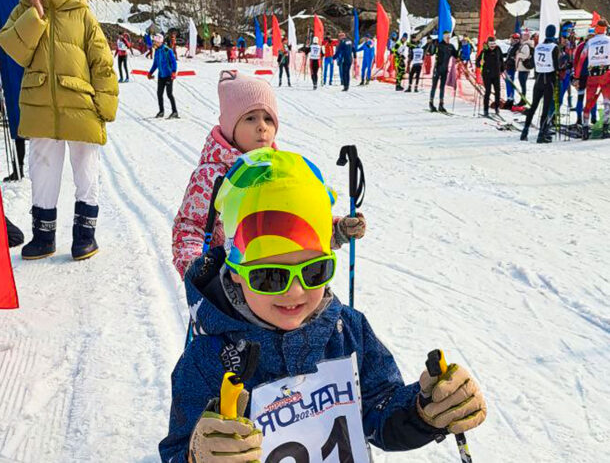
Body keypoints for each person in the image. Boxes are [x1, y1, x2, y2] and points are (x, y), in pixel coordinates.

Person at [160, 147, 487, 462]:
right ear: (234, 274)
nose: (295, 291)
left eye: (314, 270)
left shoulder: (348, 331)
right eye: (269, 277)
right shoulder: (207, 359)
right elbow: (179, 448)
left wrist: (424, 410)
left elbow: (377, 411)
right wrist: (197, 456)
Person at [172, 71, 366, 279]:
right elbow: (189, 229)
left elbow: (295, 224)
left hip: (276, 281)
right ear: (230, 127)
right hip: (226, 282)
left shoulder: (280, 171)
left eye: (268, 119)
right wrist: (196, 266)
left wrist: (337, 230)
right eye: (250, 118)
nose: (262, 127)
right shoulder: (211, 176)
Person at [0, 0, 118, 260]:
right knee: (42, 170)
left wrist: (105, 105)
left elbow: (101, 61)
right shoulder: (24, 9)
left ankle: (85, 236)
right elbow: (13, 48)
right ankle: (43, 237)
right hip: (40, 106)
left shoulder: (81, 10)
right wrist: (35, 15)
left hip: (80, 105)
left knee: (86, 171)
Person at [520, 25, 559, 143]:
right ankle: (541, 134)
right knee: (546, 108)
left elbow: (532, 63)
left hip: (539, 79)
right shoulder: (554, 47)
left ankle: (525, 131)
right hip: (549, 79)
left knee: (533, 106)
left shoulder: (538, 46)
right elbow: (556, 66)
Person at [577, 20, 610, 139]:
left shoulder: (590, 42)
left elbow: (581, 59)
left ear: (597, 29)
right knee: (607, 101)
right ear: (605, 29)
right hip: (606, 73)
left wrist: (577, 75)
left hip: (593, 74)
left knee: (589, 101)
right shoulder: (609, 40)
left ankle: (585, 128)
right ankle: (605, 129)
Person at [148, 34, 178, 119]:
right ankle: (161, 111)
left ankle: (174, 111)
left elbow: (174, 62)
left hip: (168, 75)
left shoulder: (167, 50)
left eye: (155, 42)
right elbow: (155, 64)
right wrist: (150, 73)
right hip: (161, 75)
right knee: (159, 94)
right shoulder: (157, 51)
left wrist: (173, 72)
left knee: (169, 94)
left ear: (159, 42)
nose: (154, 43)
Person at [573, 29, 598, 130]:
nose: (591, 37)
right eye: (590, 36)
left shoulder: (590, 45)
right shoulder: (582, 46)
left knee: (591, 98)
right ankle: (580, 118)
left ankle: (593, 118)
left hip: (591, 75)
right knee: (583, 97)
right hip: (585, 75)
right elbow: (575, 61)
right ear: (587, 36)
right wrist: (575, 77)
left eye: (593, 36)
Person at [429, 31, 458, 112]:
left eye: (449, 37)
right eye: (447, 37)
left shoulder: (451, 46)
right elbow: (431, 52)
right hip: (437, 68)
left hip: (445, 70)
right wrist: (432, 44)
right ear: (444, 37)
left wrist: (461, 46)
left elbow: (456, 55)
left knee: (442, 87)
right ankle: (431, 103)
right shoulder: (439, 45)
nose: (448, 39)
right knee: (434, 86)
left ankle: (441, 104)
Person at [476, 36, 504, 117]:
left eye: (494, 44)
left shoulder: (498, 49)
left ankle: (497, 108)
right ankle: (485, 109)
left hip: (496, 74)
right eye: (491, 44)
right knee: (487, 92)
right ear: (488, 44)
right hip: (487, 74)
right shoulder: (484, 51)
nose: (493, 46)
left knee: (497, 91)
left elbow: (501, 60)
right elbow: (477, 63)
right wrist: (480, 63)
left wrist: (502, 69)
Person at [515, 29, 534, 106]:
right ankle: (523, 99)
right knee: (522, 85)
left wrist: (518, 54)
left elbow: (526, 55)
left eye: (523, 35)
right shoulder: (525, 44)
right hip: (523, 68)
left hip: (523, 68)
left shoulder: (526, 45)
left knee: (523, 86)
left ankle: (523, 100)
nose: (522, 36)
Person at [504, 33, 521, 109]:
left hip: (511, 67)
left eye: (512, 39)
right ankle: (509, 98)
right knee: (508, 82)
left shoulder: (517, 47)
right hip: (508, 67)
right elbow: (508, 55)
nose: (510, 40)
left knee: (510, 83)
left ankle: (510, 99)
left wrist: (508, 62)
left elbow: (514, 58)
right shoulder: (512, 46)